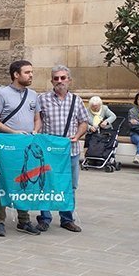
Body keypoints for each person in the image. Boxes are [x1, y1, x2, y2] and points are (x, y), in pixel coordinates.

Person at [0, 60, 42, 237]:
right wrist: (13, 132)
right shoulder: (2, 94)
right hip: (8, 145)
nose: (31, 75)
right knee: (4, 182)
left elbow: (37, 118)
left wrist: (35, 131)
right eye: (27, 72)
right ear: (16, 74)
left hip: (27, 145)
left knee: (26, 180)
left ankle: (24, 220)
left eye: (31, 72)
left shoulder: (34, 95)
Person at [36, 66, 88, 233]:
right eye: (56, 78)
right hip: (48, 151)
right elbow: (38, 121)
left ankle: (67, 218)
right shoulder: (42, 99)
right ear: (51, 80)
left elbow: (84, 122)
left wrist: (77, 136)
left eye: (63, 78)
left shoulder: (76, 100)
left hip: (70, 150)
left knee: (69, 185)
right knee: (46, 184)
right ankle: (44, 218)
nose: (59, 81)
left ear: (69, 80)